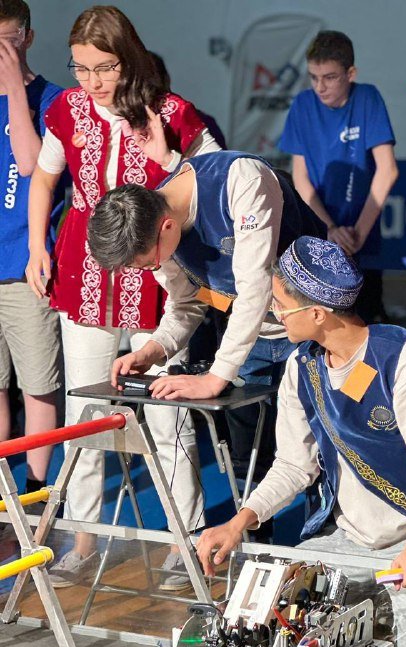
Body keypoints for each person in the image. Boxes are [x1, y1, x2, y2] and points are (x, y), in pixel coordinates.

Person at [197, 236, 406, 647]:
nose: (275, 313)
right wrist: (239, 522)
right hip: (349, 541)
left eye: (281, 304)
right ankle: (374, 600)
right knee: (271, 614)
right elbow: (294, 465)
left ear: (317, 313)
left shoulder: (405, 360)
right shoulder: (302, 366)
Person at [25, 5, 220, 590]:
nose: (92, 81)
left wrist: (172, 169)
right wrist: (36, 246)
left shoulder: (171, 112)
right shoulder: (66, 108)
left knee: (168, 412)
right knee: (82, 413)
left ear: (127, 58)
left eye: (103, 67)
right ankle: (83, 538)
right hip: (83, 275)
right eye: (81, 68)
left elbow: (216, 176)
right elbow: (44, 176)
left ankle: (185, 540)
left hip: (155, 278)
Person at [87, 149, 326, 538]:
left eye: (148, 264)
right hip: (250, 338)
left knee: (322, 446)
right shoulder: (154, 223)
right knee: (250, 457)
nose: (151, 269)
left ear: (167, 227)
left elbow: (255, 288)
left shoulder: (241, 180)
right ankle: (256, 552)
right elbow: (186, 303)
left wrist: (216, 376)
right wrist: (155, 349)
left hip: (315, 327)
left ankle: (325, 552)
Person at [278, 30, 398, 323]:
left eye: (330, 77)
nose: (320, 87)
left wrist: (356, 236)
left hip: (362, 236)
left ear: (350, 74)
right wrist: (329, 229)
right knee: (318, 323)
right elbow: (300, 177)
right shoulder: (302, 105)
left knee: (364, 321)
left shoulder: (367, 98)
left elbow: (388, 170)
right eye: (314, 77)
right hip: (317, 234)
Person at [0, 0, 65, 530]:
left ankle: (36, 495)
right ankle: (3, 496)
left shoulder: (52, 98)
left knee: (37, 384)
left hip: (27, 266)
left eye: (7, 40)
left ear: (27, 37)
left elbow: (28, 163)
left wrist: (14, 91)